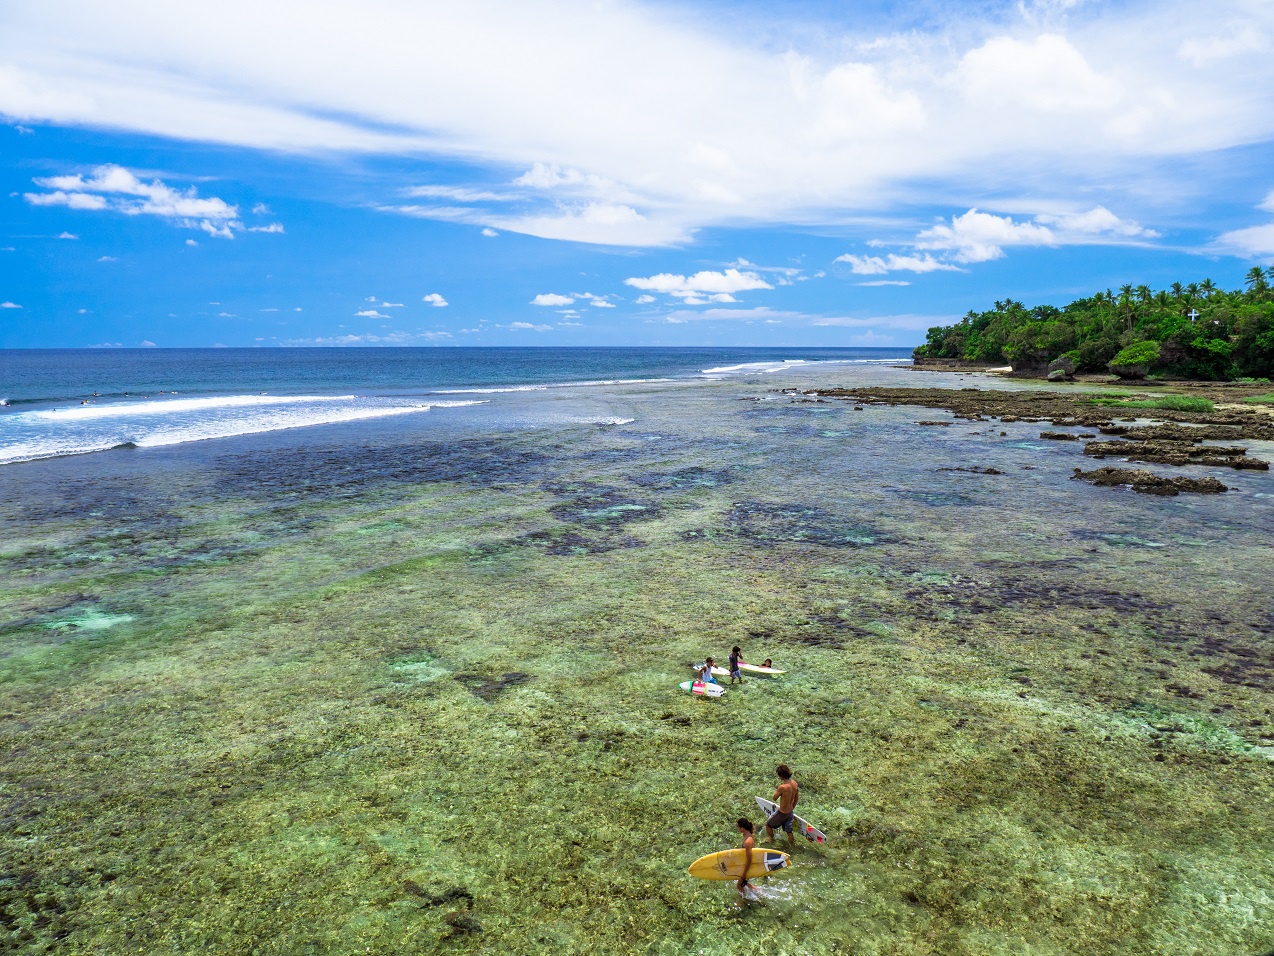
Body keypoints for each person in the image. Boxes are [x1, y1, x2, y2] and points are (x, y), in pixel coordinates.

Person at [765, 764, 799, 850]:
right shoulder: (795, 784)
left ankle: (771, 839)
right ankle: (792, 845)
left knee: (768, 825)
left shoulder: (782, 787)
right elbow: (796, 798)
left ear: (781, 775)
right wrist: (791, 808)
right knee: (789, 831)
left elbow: (774, 798)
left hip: (782, 813)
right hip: (790, 812)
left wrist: (778, 791)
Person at [735, 818, 755, 899]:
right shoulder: (748, 835)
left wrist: (744, 874)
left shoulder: (748, 842)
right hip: (745, 865)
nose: (738, 829)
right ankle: (760, 892)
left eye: (738, 828)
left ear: (742, 828)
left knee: (739, 885)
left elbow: (749, 860)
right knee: (745, 883)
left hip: (747, 866)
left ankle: (743, 901)